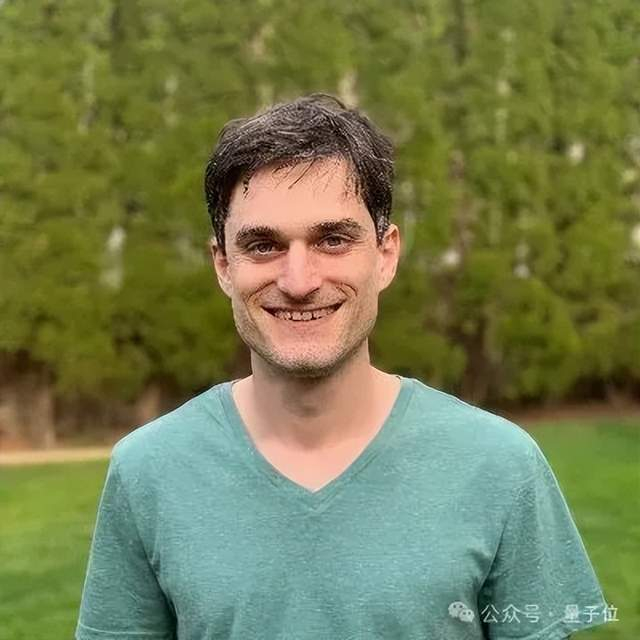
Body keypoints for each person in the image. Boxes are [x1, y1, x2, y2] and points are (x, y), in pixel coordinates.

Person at [76, 95, 611, 640]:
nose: (299, 280)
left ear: (385, 255)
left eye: (332, 240)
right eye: (263, 245)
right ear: (223, 266)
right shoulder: (147, 471)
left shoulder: (500, 465)